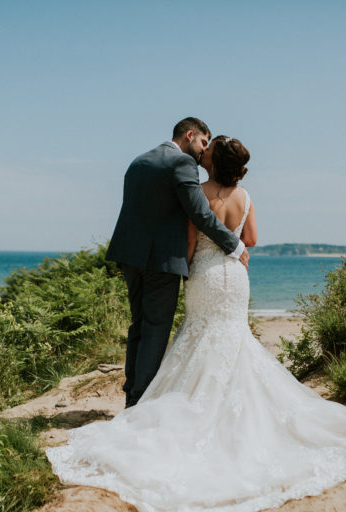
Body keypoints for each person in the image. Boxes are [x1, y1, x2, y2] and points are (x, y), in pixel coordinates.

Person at [47, 135, 346, 512]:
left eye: (207, 150)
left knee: (197, 336)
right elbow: (251, 239)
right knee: (236, 342)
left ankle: (148, 400)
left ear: (210, 160)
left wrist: (187, 267)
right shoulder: (246, 197)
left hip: (205, 276)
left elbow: (190, 242)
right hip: (235, 278)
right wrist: (236, 244)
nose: (201, 153)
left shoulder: (199, 192)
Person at [105, 117, 249, 408]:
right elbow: (200, 214)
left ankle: (131, 391)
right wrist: (234, 244)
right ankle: (138, 402)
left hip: (130, 256)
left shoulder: (138, 162)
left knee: (139, 326)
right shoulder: (181, 164)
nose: (202, 152)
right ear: (190, 134)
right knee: (156, 329)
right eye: (203, 143)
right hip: (162, 260)